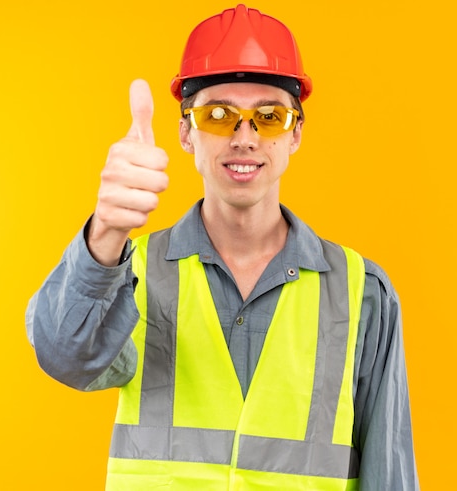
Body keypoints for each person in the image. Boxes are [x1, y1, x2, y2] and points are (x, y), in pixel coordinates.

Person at [26, 4, 419, 490]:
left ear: (295, 132)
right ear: (185, 132)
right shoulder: (133, 272)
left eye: (269, 117)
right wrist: (106, 231)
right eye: (218, 115)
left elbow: (388, 473)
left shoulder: (363, 293)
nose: (244, 138)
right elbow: (65, 356)